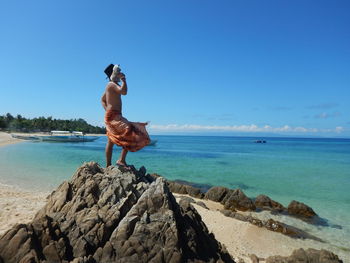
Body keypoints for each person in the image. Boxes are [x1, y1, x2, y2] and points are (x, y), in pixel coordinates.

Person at [101, 64, 150, 168]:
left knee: (111, 140)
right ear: (114, 74)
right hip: (113, 116)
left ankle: (111, 164)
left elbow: (102, 100)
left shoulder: (111, 86)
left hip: (114, 115)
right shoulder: (111, 85)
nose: (119, 74)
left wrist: (108, 111)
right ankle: (120, 160)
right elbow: (124, 92)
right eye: (118, 73)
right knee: (131, 131)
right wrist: (124, 80)